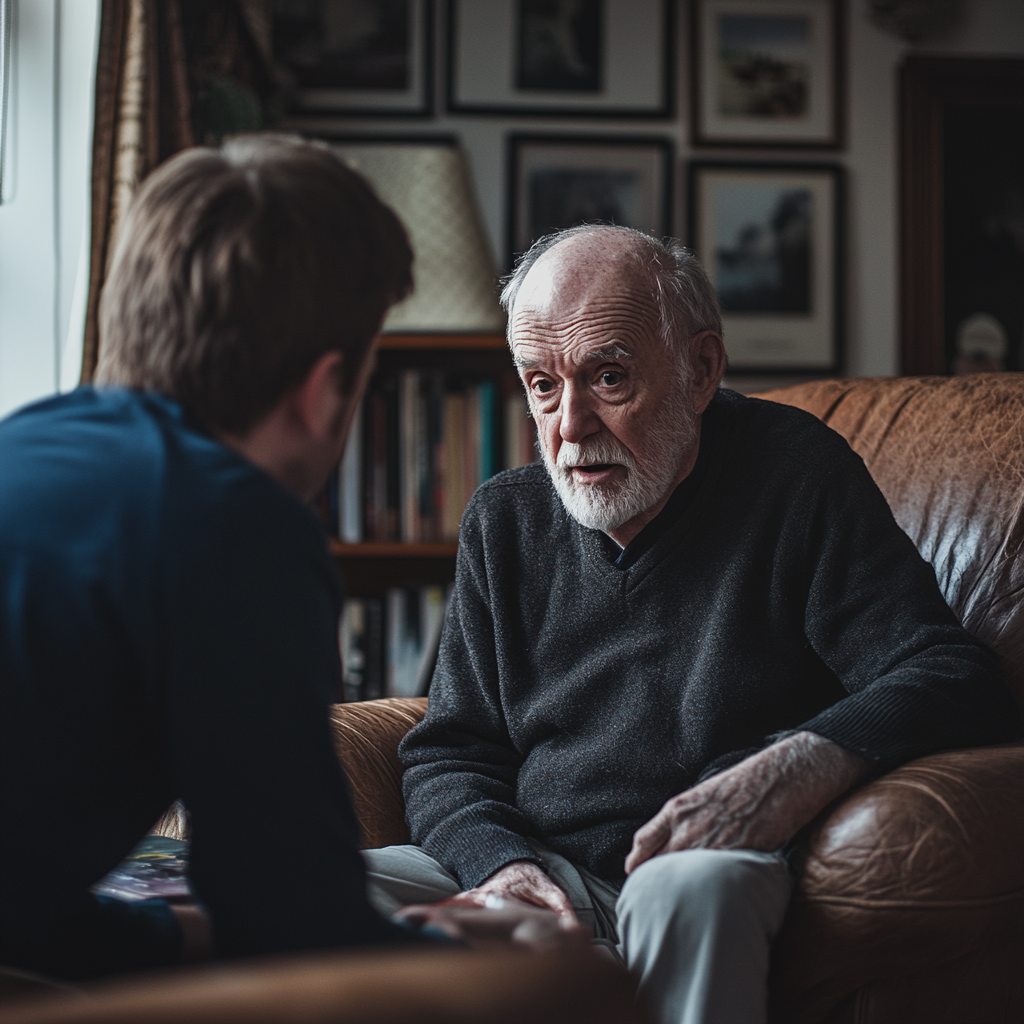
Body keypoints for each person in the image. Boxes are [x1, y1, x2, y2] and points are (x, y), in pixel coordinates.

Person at [363, 225, 1021, 1024]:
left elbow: (949, 671)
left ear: (701, 370)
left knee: (691, 887)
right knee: (313, 889)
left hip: (699, 857)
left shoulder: (794, 474)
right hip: (539, 867)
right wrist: (501, 868)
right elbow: (450, 749)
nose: (569, 427)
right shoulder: (505, 519)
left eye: (609, 377)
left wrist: (795, 766)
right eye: (541, 384)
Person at [0, 136, 581, 982]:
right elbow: (293, 925)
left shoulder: (29, 441)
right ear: (323, 390)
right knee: (564, 981)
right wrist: (470, 953)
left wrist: (193, 933)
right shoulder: (233, 525)